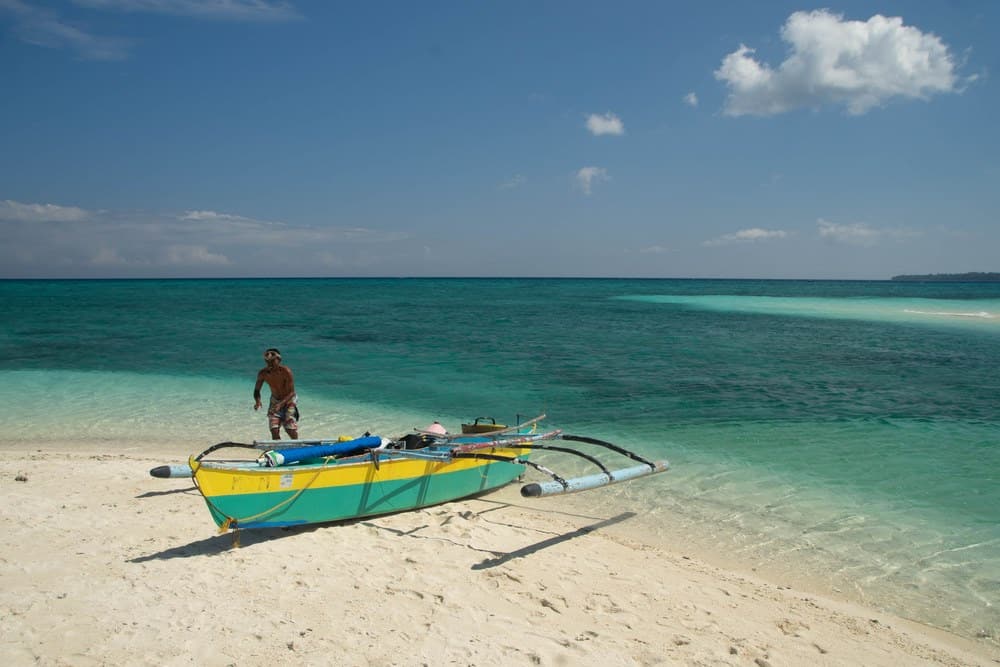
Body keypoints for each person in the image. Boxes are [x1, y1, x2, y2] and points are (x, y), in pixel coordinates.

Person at [253, 348, 299, 440]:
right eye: (268, 362)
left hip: (289, 400)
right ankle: (278, 449)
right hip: (275, 400)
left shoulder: (286, 371)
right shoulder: (263, 373)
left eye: (273, 361)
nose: (270, 364)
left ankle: (298, 446)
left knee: (290, 429)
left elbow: (292, 392)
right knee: (274, 429)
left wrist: (280, 404)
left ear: (279, 360)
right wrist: (258, 401)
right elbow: (257, 390)